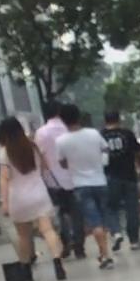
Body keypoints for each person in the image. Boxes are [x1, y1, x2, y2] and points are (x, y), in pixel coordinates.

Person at [0, 119, 68, 281]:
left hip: (18, 197)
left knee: (24, 236)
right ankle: (57, 262)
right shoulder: (33, 146)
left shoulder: (4, 152)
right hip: (39, 193)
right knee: (48, 230)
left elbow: (4, 178)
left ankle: (26, 269)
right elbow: (45, 167)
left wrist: (5, 202)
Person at [56, 106, 116, 270]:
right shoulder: (93, 133)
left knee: (94, 222)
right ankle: (104, 252)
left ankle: (106, 256)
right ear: (78, 117)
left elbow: (62, 164)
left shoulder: (61, 141)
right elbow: (105, 149)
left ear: (63, 120)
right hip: (100, 181)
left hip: (81, 185)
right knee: (102, 221)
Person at [34, 102, 85, 259]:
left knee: (59, 213)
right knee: (77, 213)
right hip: (74, 177)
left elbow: (39, 157)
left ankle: (65, 243)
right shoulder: (70, 129)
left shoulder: (41, 133)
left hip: (52, 180)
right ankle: (79, 246)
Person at [101, 110, 140, 250]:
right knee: (132, 208)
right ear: (118, 119)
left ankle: (116, 232)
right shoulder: (127, 133)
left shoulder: (101, 135)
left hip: (110, 177)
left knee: (110, 207)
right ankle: (134, 241)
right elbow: (139, 151)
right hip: (129, 175)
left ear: (105, 120)